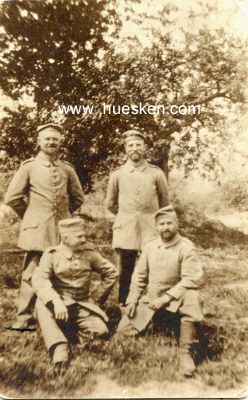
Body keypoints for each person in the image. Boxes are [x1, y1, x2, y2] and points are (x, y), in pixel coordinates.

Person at [4, 123, 84, 330]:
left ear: (60, 143)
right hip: (37, 230)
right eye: (47, 139)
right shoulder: (29, 166)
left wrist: (64, 218)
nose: (51, 142)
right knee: (31, 273)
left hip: (62, 231)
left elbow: (77, 198)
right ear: (39, 142)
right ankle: (24, 318)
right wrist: (31, 216)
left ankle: (59, 314)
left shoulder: (67, 168)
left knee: (63, 271)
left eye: (55, 139)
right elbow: (12, 198)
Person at [117, 205, 204, 377]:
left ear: (177, 224)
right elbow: (139, 276)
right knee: (123, 331)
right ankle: (161, 322)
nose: (165, 227)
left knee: (193, 297)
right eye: (161, 224)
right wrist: (133, 300)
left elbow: (192, 279)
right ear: (156, 227)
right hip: (152, 299)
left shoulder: (186, 247)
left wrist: (165, 299)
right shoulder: (150, 247)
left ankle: (185, 351)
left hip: (176, 299)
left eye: (169, 223)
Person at [32, 218, 118, 367]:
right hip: (57, 305)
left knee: (101, 332)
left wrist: (96, 299)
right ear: (65, 238)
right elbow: (40, 280)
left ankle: (66, 330)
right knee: (41, 303)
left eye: (84, 235)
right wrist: (56, 301)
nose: (84, 239)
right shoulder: (51, 255)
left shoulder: (90, 255)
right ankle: (59, 348)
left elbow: (111, 272)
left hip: (81, 305)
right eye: (79, 236)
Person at [106, 129, 169, 305]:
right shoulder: (117, 174)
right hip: (125, 228)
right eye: (131, 145)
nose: (135, 148)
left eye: (138, 145)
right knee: (125, 269)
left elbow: (165, 203)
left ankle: (150, 305)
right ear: (125, 149)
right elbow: (110, 203)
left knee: (151, 266)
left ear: (145, 148)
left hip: (150, 228)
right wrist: (124, 217)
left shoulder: (156, 173)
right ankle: (123, 305)